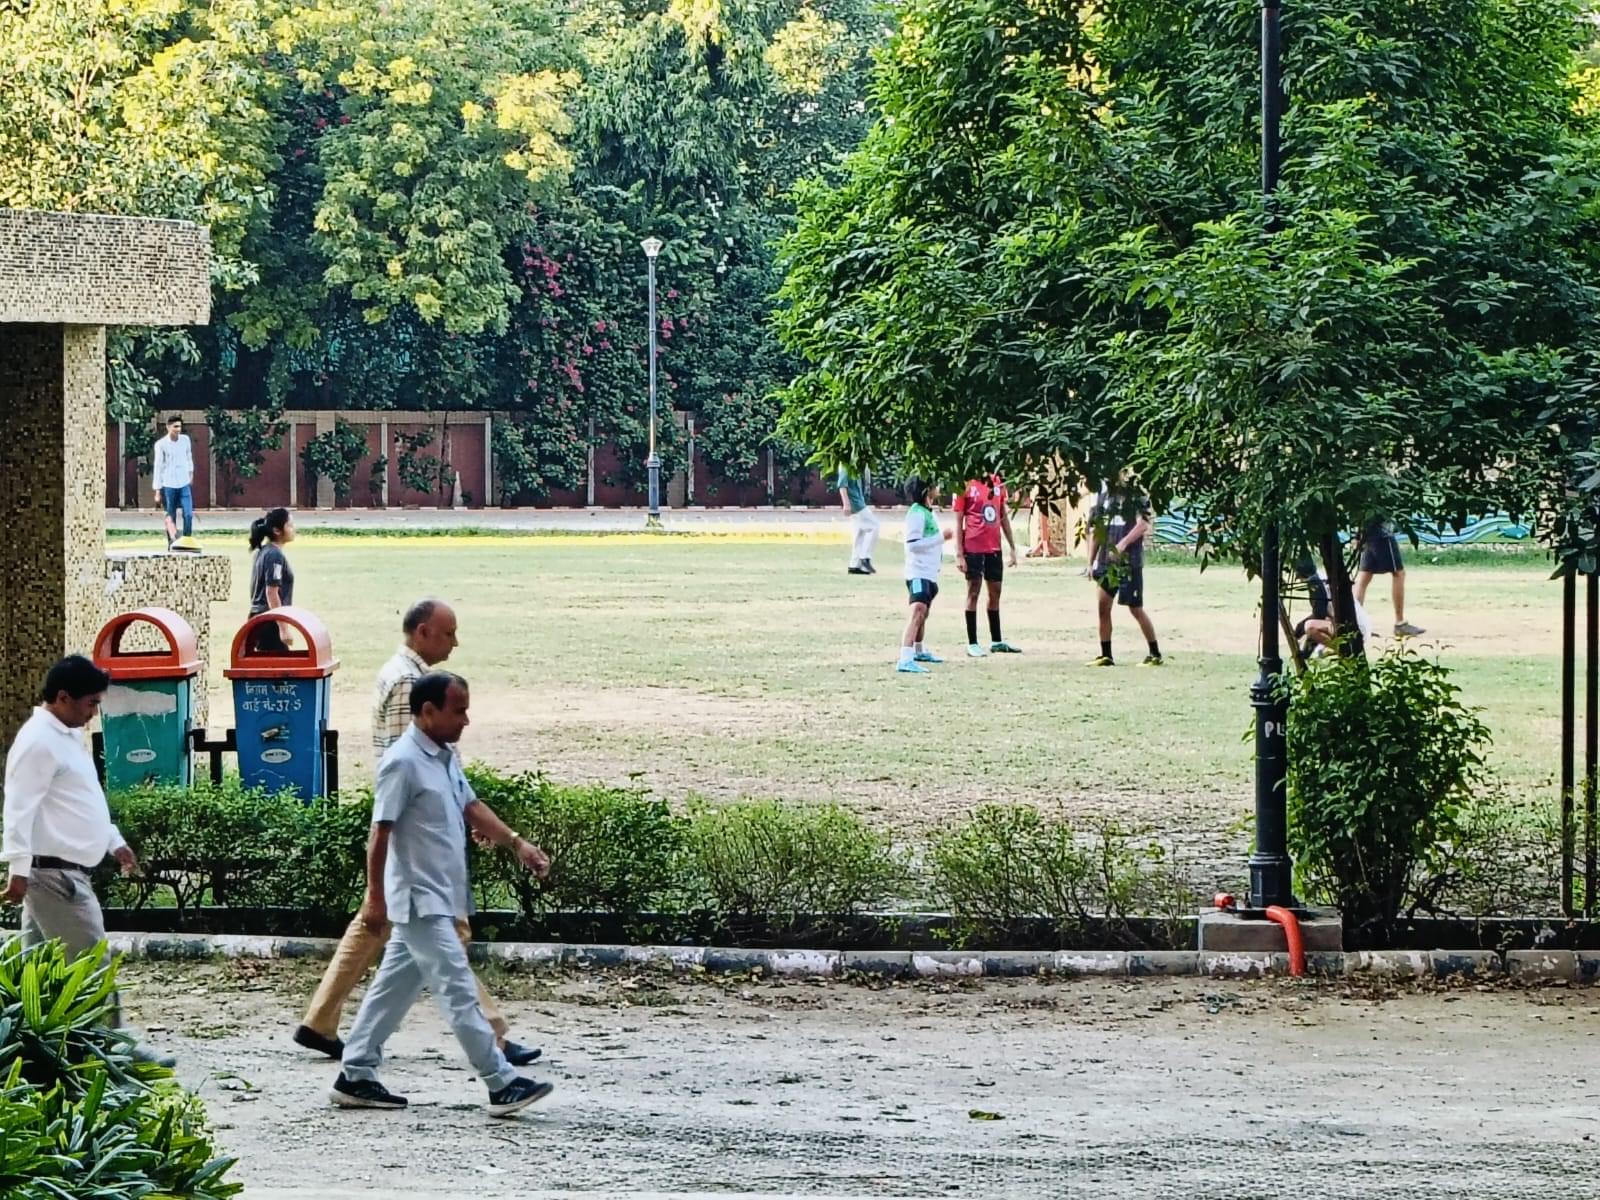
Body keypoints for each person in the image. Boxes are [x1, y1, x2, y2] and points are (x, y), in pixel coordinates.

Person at [293, 599, 540, 1068]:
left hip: (417, 839)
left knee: (386, 943)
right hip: (415, 845)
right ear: (423, 632)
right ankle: (497, 1062)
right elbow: (410, 763)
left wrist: (483, 824)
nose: (455, 642)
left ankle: (332, 1034)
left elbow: (446, 780)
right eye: (449, 633)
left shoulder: (400, 672)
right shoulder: (413, 686)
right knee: (440, 942)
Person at [331, 672, 554, 1117]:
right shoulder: (402, 762)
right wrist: (375, 898)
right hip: (419, 900)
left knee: (392, 989)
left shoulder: (443, 756)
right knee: (457, 989)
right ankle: (500, 1081)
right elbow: (380, 833)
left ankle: (355, 1072)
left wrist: (516, 843)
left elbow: (470, 806)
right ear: (428, 712)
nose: (466, 720)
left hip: (439, 896)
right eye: (458, 710)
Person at [2, 656, 173, 1066]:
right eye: (90, 703)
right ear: (63, 698)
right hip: (55, 876)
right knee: (93, 961)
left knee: (37, 967)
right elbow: (19, 808)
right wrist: (17, 869)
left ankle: (28, 1045)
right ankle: (115, 1045)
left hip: (60, 870)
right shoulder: (38, 741)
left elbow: (81, 799)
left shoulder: (63, 734)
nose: (94, 712)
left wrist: (113, 841)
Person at [1084, 473, 1162, 667]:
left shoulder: (1135, 496)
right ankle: (1106, 655)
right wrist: (1090, 562)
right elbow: (1096, 530)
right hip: (1106, 562)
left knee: (1135, 609)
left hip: (1129, 562)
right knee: (1103, 606)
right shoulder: (1102, 497)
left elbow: (1143, 524)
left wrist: (1123, 544)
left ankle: (1155, 653)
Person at [953, 473, 1021, 656]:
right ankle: (972, 642)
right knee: (973, 592)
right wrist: (959, 553)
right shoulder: (965, 483)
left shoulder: (997, 481)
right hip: (973, 546)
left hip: (994, 547)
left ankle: (996, 640)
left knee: (995, 592)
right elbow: (959, 521)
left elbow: (1002, 515)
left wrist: (1012, 547)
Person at [897, 478, 953, 674]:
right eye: (933, 486)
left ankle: (919, 650)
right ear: (925, 491)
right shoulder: (916, 514)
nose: (937, 488)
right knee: (917, 611)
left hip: (929, 573)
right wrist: (941, 539)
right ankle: (905, 657)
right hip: (918, 572)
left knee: (924, 613)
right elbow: (912, 544)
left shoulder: (928, 512)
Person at [1355, 520, 1425, 638]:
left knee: (1364, 576)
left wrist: (1358, 535)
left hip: (1367, 531)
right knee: (1399, 574)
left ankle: (1355, 623)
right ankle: (1400, 624)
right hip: (1382, 533)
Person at [1293, 557, 1373, 658]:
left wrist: (1298, 629)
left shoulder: (1315, 583)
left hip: (1355, 629)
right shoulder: (1322, 577)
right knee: (1314, 625)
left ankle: (1346, 651)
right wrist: (1305, 653)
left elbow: (1319, 614)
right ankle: (1343, 650)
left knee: (1309, 625)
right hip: (1357, 626)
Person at [248, 508, 296, 652]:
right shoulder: (274, 556)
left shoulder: (263, 552)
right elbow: (271, 593)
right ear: (277, 530)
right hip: (269, 622)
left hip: (260, 619)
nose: (294, 529)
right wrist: (283, 628)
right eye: (289, 525)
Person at [152, 414, 195, 542]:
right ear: (168, 427)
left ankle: (187, 540)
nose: (178, 429)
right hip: (168, 484)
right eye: (175, 426)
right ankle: (172, 542)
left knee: (188, 514)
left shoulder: (185, 440)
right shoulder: (161, 444)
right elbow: (158, 467)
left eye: (180, 427)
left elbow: (188, 457)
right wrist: (157, 491)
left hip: (183, 483)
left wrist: (190, 473)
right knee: (171, 516)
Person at [838, 467, 880, 575]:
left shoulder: (855, 465)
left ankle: (854, 565)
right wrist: (846, 504)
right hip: (856, 504)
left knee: (859, 533)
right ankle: (864, 557)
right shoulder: (845, 464)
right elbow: (842, 485)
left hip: (858, 502)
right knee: (874, 526)